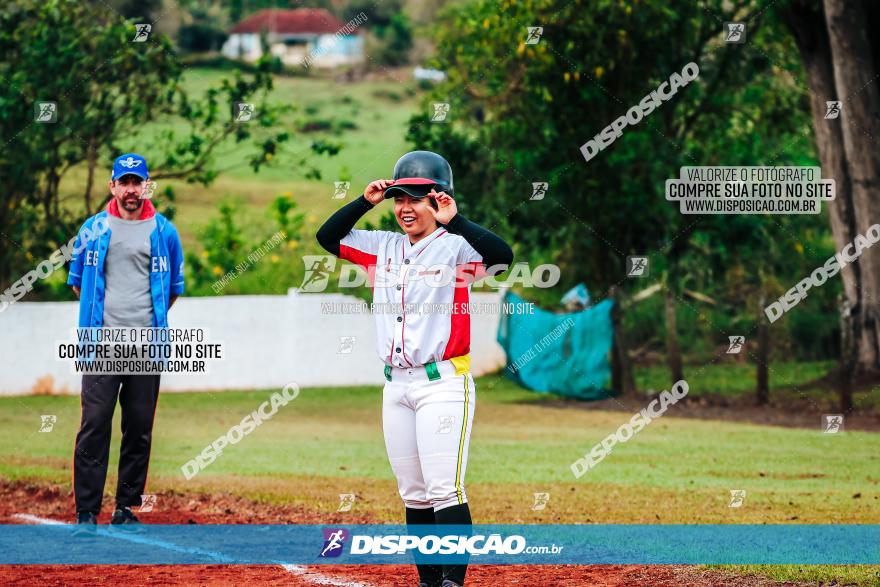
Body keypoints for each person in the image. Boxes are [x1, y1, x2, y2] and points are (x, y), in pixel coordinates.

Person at [317, 151, 513, 587]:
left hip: (443, 383)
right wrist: (364, 202)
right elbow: (327, 237)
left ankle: (452, 582)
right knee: (415, 493)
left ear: (439, 198)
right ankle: (428, 580)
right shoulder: (381, 245)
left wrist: (455, 221)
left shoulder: (458, 248)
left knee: (446, 490)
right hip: (395, 387)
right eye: (400, 197)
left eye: (418, 198)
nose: (406, 207)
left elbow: (503, 257)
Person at [67, 153, 184, 531]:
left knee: (138, 426)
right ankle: (86, 510)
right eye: (125, 183)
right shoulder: (93, 228)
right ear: (112, 186)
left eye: (138, 183)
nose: (131, 190)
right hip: (102, 345)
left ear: (146, 186)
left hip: (147, 346)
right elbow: (77, 283)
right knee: (95, 423)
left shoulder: (165, 231)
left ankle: (126, 507)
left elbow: (173, 290)